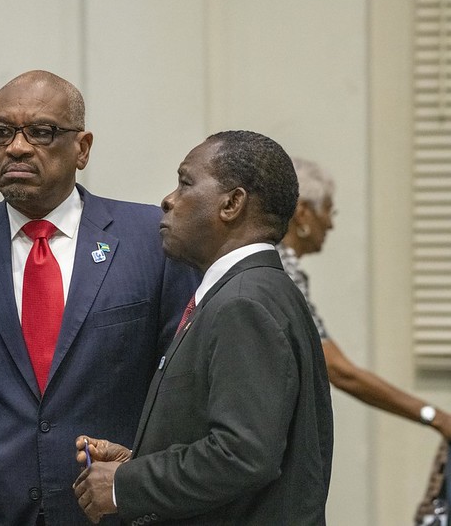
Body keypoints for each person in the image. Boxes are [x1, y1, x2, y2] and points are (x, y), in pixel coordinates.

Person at [0, 70, 200, 525]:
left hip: (111, 512)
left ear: (82, 148)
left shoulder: (149, 242)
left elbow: (181, 392)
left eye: (41, 132)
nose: (17, 147)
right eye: (2, 132)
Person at [73, 130, 334, 525]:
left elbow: (243, 454)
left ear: (232, 203)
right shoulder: (249, 291)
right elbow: (233, 441)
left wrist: (125, 485)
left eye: (185, 183)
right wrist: (136, 462)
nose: (168, 199)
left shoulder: (245, 302)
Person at [279, 157, 451, 437]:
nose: (331, 225)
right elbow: (338, 369)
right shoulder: (280, 270)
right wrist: (435, 417)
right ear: (303, 213)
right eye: (329, 211)